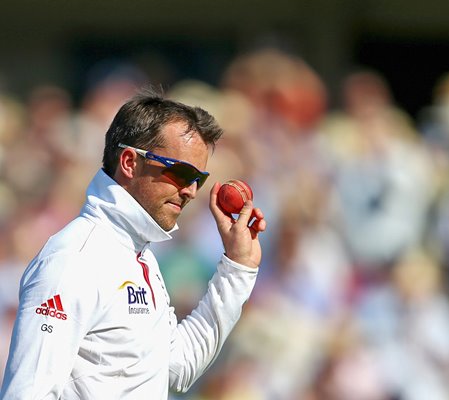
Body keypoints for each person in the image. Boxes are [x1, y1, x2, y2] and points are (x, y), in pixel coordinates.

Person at [0, 87, 267, 399]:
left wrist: (238, 268)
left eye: (199, 179)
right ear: (129, 162)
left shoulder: (138, 255)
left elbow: (176, 367)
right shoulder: (74, 258)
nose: (191, 191)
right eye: (182, 173)